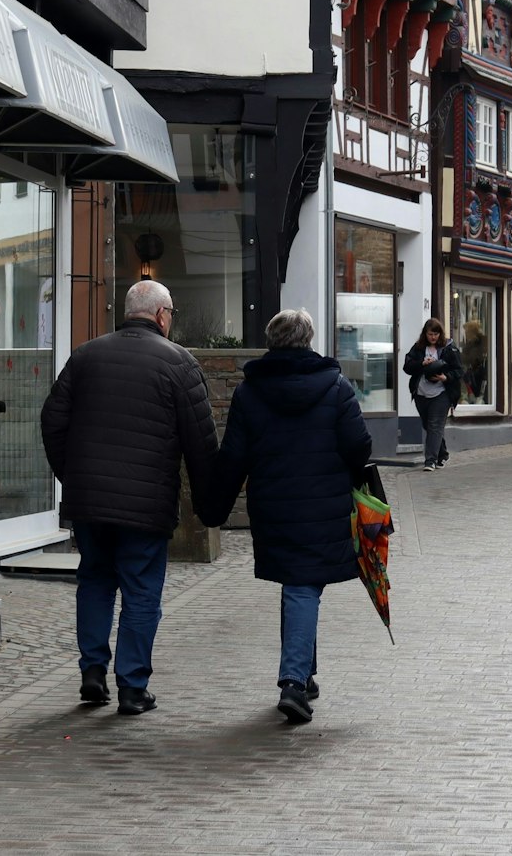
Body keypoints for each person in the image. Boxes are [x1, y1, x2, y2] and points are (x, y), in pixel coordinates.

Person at [39, 279, 218, 716]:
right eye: (171, 313)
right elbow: (201, 443)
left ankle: (92, 671)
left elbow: (52, 421)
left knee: (95, 580)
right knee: (141, 592)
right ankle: (132, 687)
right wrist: (210, 503)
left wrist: (73, 477)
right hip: (146, 505)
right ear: (161, 315)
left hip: (90, 502)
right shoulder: (180, 363)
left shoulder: (85, 356)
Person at [197, 309, 372, 724]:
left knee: (298, 582)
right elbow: (359, 447)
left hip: (274, 506)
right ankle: (293, 682)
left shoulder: (250, 392)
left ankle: (304, 675)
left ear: (272, 341)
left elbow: (234, 456)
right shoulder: (336, 387)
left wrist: (213, 507)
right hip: (324, 506)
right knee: (302, 586)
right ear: (308, 339)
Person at [402, 319, 461, 471]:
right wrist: (422, 363)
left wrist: (445, 377)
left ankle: (430, 461)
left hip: (441, 393)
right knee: (428, 425)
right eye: (430, 334)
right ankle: (443, 454)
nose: (433, 337)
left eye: (436, 334)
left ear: (440, 334)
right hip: (421, 393)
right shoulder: (418, 348)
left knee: (435, 425)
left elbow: (459, 370)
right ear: (425, 334)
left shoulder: (449, 348)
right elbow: (407, 367)